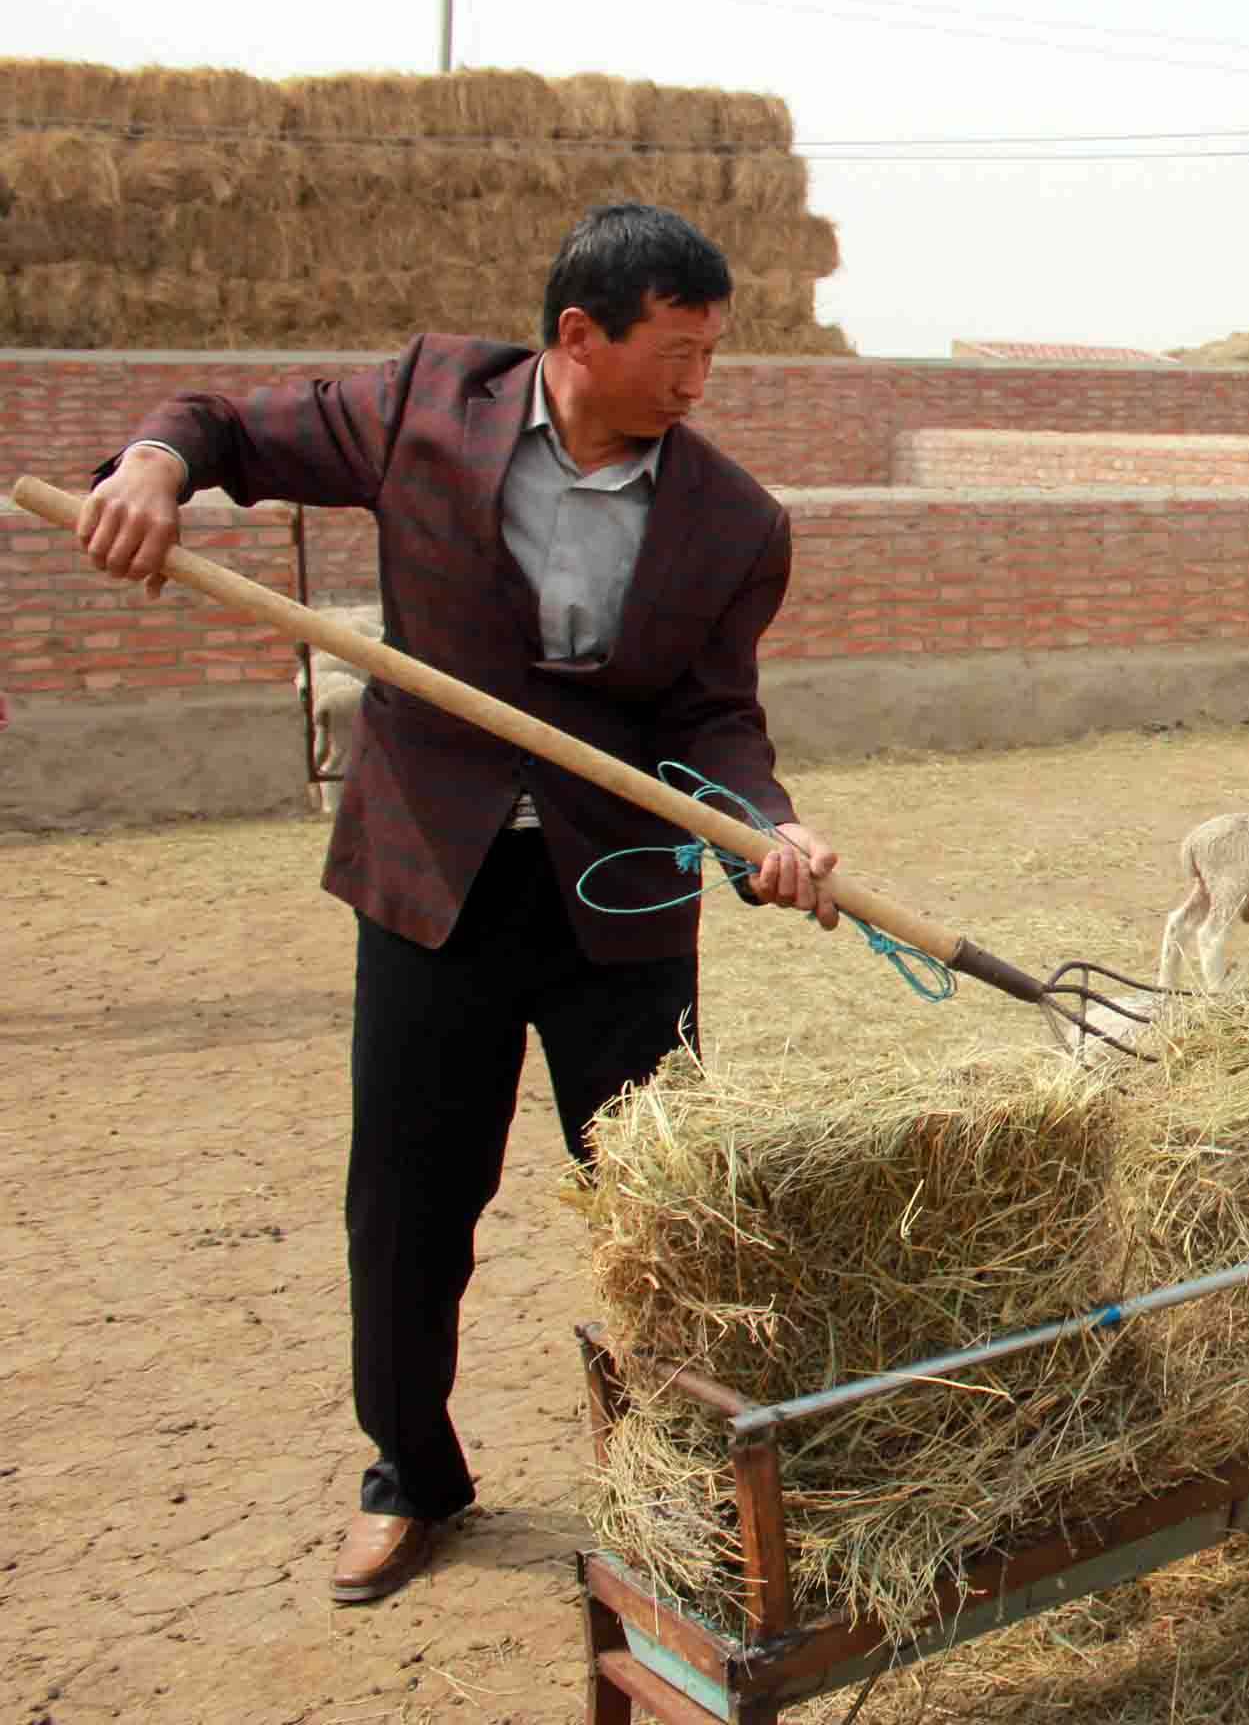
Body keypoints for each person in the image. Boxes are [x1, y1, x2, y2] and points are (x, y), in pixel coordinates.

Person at [70, 202, 841, 1605]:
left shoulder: (734, 522)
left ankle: (679, 1485)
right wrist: (154, 467)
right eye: (675, 353)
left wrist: (763, 828)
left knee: (669, 1212)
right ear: (577, 337)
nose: (696, 385)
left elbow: (714, 717)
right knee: (411, 1204)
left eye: (712, 356)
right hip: (433, 884)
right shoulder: (431, 404)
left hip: (619, 907)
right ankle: (413, 1472)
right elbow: (224, 425)